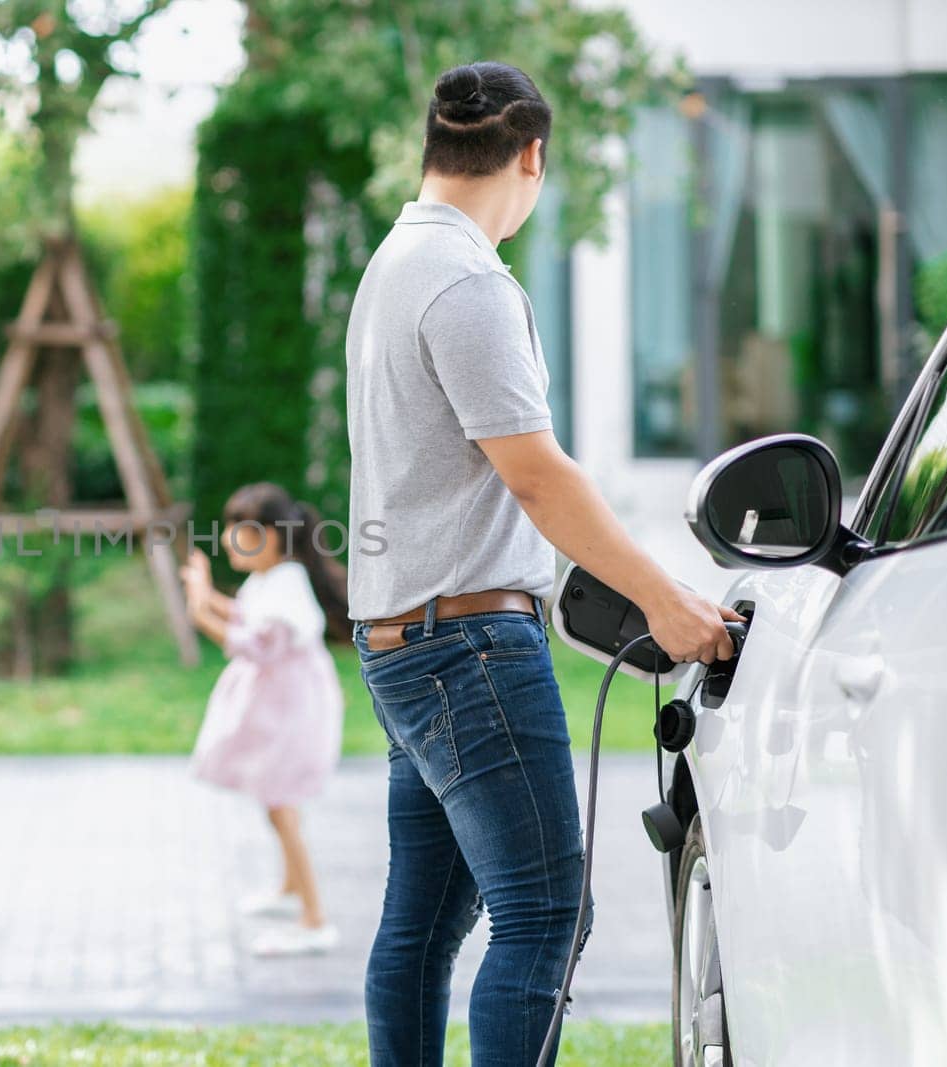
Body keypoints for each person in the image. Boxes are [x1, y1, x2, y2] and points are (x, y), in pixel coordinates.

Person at [344, 62, 742, 1065]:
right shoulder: (466, 278)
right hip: (469, 647)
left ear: (435, 150)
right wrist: (660, 597)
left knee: (422, 926)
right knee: (543, 914)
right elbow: (534, 474)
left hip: (402, 641)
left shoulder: (393, 263)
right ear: (531, 156)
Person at [180, 482, 350, 957]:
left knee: (281, 802)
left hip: (292, 712)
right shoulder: (271, 580)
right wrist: (210, 595)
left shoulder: (286, 588)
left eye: (243, 530)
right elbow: (246, 615)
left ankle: (315, 919)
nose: (231, 540)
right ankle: (290, 888)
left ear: (273, 537)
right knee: (275, 800)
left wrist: (198, 608)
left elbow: (255, 645)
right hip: (281, 707)